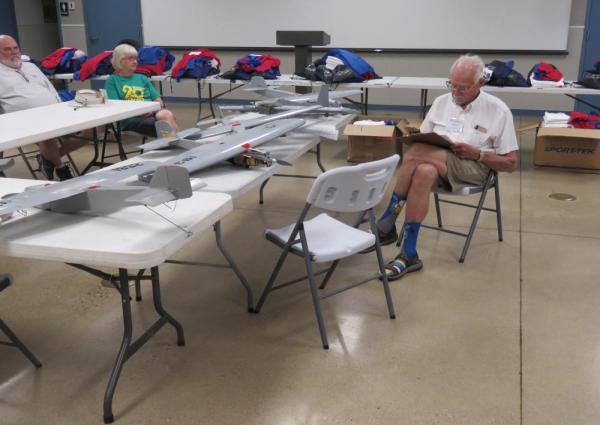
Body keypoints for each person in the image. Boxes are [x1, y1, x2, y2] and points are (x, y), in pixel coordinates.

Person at [371, 54, 519, 281]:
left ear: (481, 83)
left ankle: (388, 221)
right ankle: (408, 254)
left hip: (475, 166)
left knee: (415, 154)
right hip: (437, 164)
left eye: (463, 88)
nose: (455, 93)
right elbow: (424, 138)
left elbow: (511, 163)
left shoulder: (498, 111)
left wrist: (477, 153)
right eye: (453, 85)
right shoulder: (441, 102)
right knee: (423, 171)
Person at [0, 34, 88, 180]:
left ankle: (47, 158)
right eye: (7, 49)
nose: (14, 52)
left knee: (90, 131)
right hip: (25, 120)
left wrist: (60, 106)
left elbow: (50, 89)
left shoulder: (31, 66)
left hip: (54, 112)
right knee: (47, 135)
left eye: (15, 48)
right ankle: (61, 167)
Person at [104, 43, 179, 136]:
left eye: (135, 58)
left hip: (150, 113)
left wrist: (152, 110)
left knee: (166, 114)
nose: (134, 61)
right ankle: (173, 142)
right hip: (130, 119)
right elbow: (118, 106)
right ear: (120, 61)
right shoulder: (112, 80)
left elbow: (158, 101)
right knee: (162, 125)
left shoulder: (142, 78)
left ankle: (172, 141)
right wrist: (141, 111)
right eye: (130, 58)